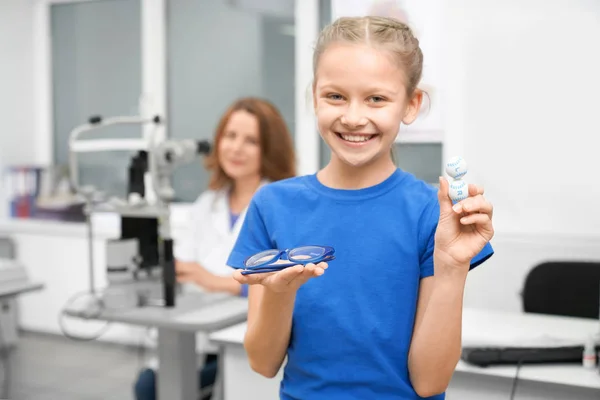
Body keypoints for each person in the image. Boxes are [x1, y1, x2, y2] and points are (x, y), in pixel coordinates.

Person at [227, 16, 495, 400]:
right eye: (335, 96)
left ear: (411, 103)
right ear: (314, 95)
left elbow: (430, 382)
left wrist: (452, 269)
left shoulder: (432, 215)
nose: (353, 117)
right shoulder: (273, 206)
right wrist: (281, 293)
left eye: (377, 98)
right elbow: (263, 362)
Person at [133, 97, 296, 400]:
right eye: (230, 136)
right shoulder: (206, 204)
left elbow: (288, 285)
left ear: (269, 150)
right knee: (149, 384)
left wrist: (214, 281)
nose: (236, 148)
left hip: (248, 338)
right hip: (199, 333)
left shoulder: (284, 207)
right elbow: (184, 267)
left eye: (251, 141)